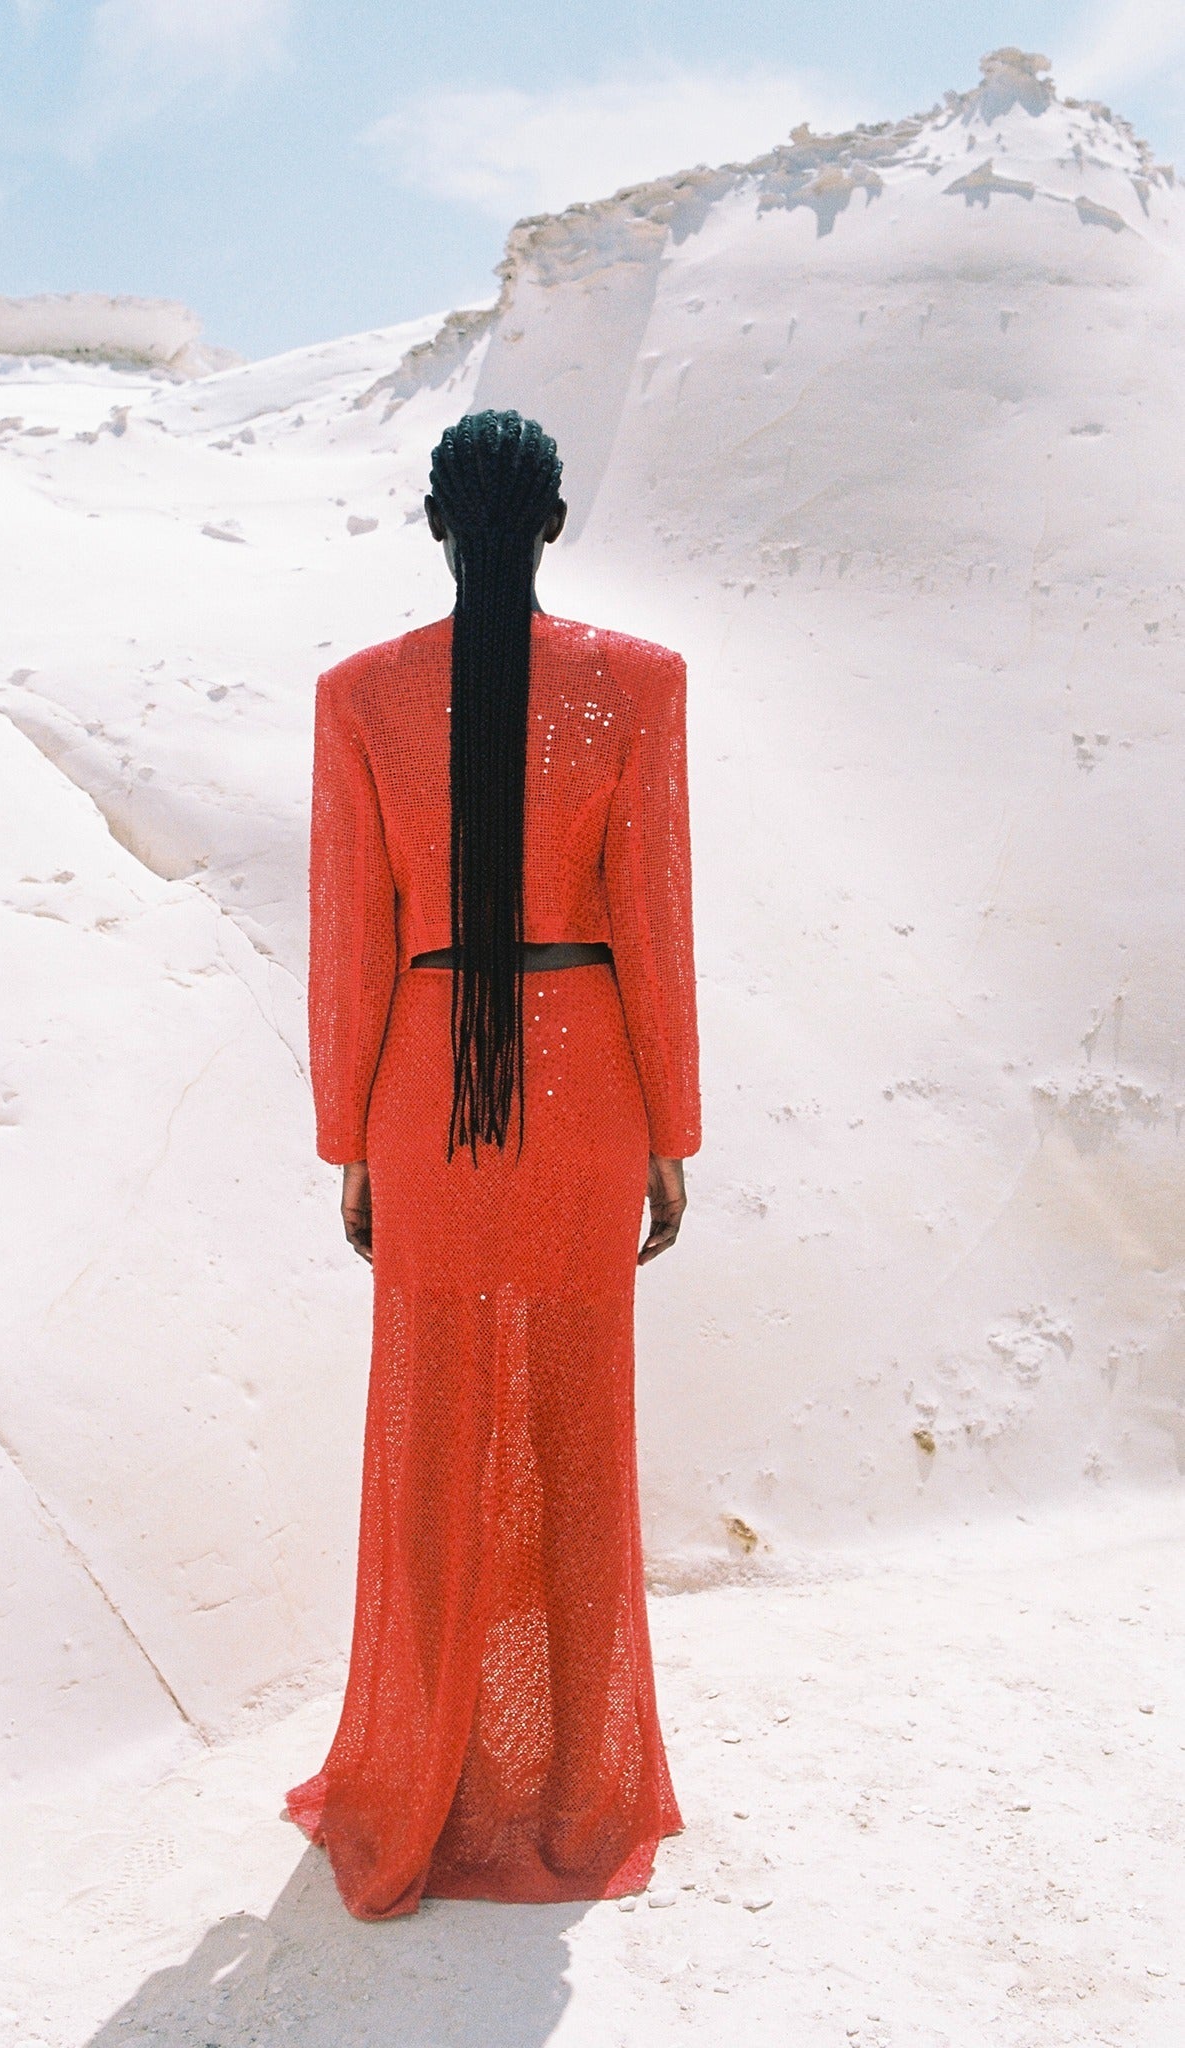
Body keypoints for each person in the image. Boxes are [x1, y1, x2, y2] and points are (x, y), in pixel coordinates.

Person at [285, 408, 702, 1921]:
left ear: (434, 521)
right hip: (586, 1086)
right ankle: (577, 1778)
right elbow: (651, 913)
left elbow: (350, 934)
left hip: (426, 1094)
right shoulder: (637, 684)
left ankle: (429, 1769)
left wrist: (350, 1141)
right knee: (579, 1428)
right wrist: (669, 1130)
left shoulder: (358, 696)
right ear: (554, 521)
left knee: (432, 1427)